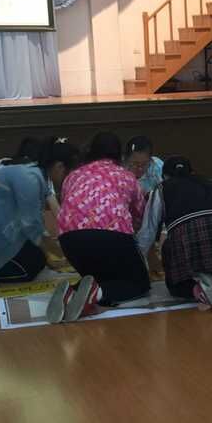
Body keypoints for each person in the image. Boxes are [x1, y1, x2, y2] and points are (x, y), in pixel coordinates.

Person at [48, 132, 150, 323]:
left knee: (98, 277)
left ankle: (73, 293)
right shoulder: (126, 176)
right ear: (119, 155)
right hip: (112, 236)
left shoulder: (73, 175)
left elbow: (67, 206)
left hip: (69, 240)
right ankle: (96, 294)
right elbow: (141, 216)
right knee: (139, 284)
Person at [137, 156, 212, 313]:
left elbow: (148, 232)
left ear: (165, 176)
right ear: (192, 172)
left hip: (188, 232)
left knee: (175, 285)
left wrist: (140, 264)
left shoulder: (161, 188)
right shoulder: (209, 184)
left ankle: (198, 289)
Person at [0, 137, 79, 291]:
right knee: (32, 265)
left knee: (36, 256)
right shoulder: (30, 178)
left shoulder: (33, 173)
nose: (69, 180)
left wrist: (55, 249)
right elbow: (31, 225)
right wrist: (63, 252)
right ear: (59, 166)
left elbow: (38, 220)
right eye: (70, 174)